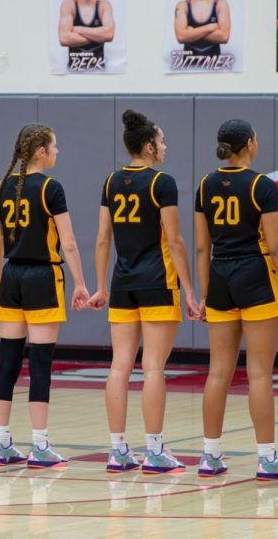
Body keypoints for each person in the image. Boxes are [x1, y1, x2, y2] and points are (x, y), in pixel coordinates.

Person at [194, 119, 278, 480]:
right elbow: (277, 246)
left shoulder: (205, 185)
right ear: (249, 144)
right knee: (259, 374)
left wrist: (204, 295)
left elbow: (203, 247)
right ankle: (266, 459)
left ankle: (210, 456)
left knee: (218, 372)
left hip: (220, 277)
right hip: (255, 274)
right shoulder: (262, 185)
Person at [87, 110, 199, 475]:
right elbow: (175, 240)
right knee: (153, 367)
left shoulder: (110, 182)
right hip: (157, 282)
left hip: (122, 282)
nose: (165, 147)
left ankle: (117, 450)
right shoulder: (161, 182)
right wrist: (190, 290)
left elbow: (103, 238)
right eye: (162, 141)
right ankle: (154, 451)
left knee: (120, 365)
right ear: (149, 146)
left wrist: (101, 285)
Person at [0, 123, 91, 469]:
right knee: (40, 364)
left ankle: (1, 443)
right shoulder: (50, 188)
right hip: (43, 277)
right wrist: (80, 283)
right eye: (54, 146)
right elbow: (70, 241)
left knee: (8, 363)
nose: (58, 151)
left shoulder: (2, 186)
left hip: (12, 276)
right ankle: (40, 445)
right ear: (41, 152)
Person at [58, 0, 115, 68]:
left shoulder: (104, 5)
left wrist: (79, 29)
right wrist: (99, 36)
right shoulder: (69, 4)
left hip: (100, 74)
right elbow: (64, 38)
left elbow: (109, 35)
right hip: (72, 73)